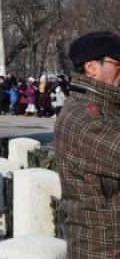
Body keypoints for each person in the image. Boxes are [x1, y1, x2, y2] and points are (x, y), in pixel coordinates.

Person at [55, 31, 120, 258]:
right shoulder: (85, 117)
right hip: (103, 247)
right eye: (117, 63)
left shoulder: (104, 106)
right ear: (92, 67)